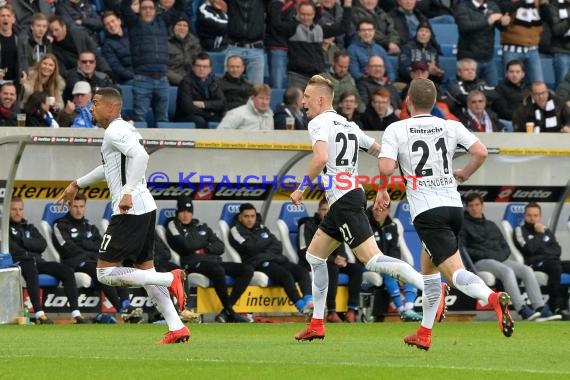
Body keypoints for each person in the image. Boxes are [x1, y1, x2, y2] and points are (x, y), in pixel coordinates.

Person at [290, 75, 445, 341]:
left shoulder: (318, 123)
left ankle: (431, 286)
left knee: (372, 260)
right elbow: (378, 150)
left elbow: (321, 157)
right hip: (349, 198)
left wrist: (302, 187)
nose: (303, 102)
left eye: (306, 97)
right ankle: (317, 323)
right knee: (315, 257)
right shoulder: (348, 125)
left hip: (344, 200)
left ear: (320, 99)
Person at [377, 77, 514, 351]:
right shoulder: (449, 125)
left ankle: (492, 297)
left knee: (455, 273)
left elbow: (387, 166)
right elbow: (481, 151)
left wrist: (382, 189)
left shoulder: (397, 128)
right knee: (428, 270)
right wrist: (464, 173)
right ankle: (424, 332)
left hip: (428, 211)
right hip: (453, 206)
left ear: (407, 102)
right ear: (434, 102)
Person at [57, 87, 189, 344]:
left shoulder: (116, 130)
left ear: (110, 107)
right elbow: (108, 166)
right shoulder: (121, 130)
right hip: (144, 207)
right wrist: (77, 183)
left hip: (130, 210)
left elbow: (140, 156)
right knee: (144, 271)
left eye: (95, 103)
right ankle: (177, 327)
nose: (91, 108)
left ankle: (169, 277)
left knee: (105, 273)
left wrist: (127, 191)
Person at [460, 194, 561, 321]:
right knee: (507, 271)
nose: (474, 208)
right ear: (467, 208)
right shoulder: (463, 226)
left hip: (499, 259)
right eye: (471, 206)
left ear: (482, 206)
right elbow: (465, 250)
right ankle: (522, 309)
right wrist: (491, 255)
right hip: (480, 262)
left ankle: (540, 307)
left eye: (477, 205)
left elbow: (505, 247)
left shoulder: (491, 225)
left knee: (526, 270)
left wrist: (498, 256)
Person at [52, 193, 143, 323]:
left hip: (93, 261)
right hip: (74, 263)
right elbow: (66, 248)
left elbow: (101, 247)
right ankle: (122, 311)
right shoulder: (60, 225)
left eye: (81, 206)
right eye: (75, 206)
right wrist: (88, 249)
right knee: (100, 270)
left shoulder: (91, 227)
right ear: (69, 207)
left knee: (115, 268)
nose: (78, 210)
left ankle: (126, 305)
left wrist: (84, 246)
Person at [165, 196, 253, 323]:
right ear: (178, 212)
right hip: (192, 262)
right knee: (218, 270)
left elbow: (220, 246)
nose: (186, 215)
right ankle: (230, 311)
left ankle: (226, 311)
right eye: (182, 211)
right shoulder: (173, 225)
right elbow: (186, 246)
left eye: (189, 212)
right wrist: (205, 242)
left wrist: (203, 249)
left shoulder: (201, 226)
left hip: (213, 260)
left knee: (247, 269)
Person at [9, 197, 85, 324]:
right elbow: (13, 249)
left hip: (38, 261)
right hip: (20, 264)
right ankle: (39, 313)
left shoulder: (29, 227)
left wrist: (23, 242)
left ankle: (76, 314)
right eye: (14, 209)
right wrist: (30, 248)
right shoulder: (4, 229)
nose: (18, 212)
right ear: (8, 211)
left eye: (20, 209)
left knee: (65, 270)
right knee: (30, 266)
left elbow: (42, 244)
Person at [229, 203, 314, 316]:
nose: (250, 219)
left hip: (275, 259)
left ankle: (309, 302)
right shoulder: (235, 230)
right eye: (246, 216)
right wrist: (266, 243)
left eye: (252, 216)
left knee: (301, 271)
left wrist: (261, 246)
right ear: (240, 217)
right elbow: (249, 248)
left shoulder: (262, 228)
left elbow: (278, 245)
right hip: (257, 263)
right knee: (285, 275)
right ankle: (302, 307)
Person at [298, 199, 363, 323]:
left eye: (329, 210)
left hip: (333, 261)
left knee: (356, 270)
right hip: (314, 262)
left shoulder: (336, 224)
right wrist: (333, 259)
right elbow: (305, 250)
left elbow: (342, 245)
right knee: (332, 268)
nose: (326, 213)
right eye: (324, 210)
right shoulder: (309, 225)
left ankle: (352, 309)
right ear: (318, 211)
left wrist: (342, 258)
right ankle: (331, 311)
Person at [121, 0, 184, 124]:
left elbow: (179, 6)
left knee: (163, 119)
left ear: (155, 10)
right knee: (139, 119)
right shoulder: (134, 22)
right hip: (142, 79)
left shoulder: (163, 21)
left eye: (150, 8)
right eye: (144, 8)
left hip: (162, 79)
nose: (148, 10)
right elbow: (124, 6)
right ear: (139, 10)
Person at [366, 204, 422, 321]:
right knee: (389, 272)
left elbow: (395, 250)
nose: (378, 212)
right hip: (371, 262)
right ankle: (402, 310)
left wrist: (396, 267)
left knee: (408, 271)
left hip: (386, 263)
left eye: (382, 210)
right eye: (376, 209)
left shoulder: (392, 226)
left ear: (388, 211)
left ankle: (409, 308)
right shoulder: (367, 226)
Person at [514, 202, 570, 314]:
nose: (532, 218)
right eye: (529, 215)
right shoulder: (520, 230)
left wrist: (542, 246)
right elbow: (528, 249)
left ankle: (565, 304)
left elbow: (557, 250)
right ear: (525, 216)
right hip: (534, 263)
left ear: (540, 217)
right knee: (555, 267)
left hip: (552, 260)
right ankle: (555, 307)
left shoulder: (546, 230)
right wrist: (540, 236)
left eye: (535, 215)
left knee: (562, 264)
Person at [454, 0, 510, 87]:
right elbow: (464, 27)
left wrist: (504, 22)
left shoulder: (492, 5)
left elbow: (501, 26)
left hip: (488, 57)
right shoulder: (462, 6)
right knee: (469, 90)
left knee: (493, 89)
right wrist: (487, 21)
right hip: (469, 59)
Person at [175, 52, 226, 128]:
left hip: (206, 115)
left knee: (223, 120)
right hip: (185, 117)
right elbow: (188, 108)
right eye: (198, 66)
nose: (201, 69)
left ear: (210, 69)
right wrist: (209, 114)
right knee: (200, 121)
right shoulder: (186, 82)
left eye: (205, 66)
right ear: (193, 67)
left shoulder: (213, 81)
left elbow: (222, 103)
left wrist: (203, 104)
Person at [101, 10, 134, 85]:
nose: (111, 25)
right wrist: (134, 76)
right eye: (107, 24)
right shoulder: (107, 45)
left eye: (113, 21)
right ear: (105, 28)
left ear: (119, 21)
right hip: (130, 78)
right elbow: (117, 68)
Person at [166, 15, 202, 86]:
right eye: (179, 25)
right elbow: (164, 69)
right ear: (173, 27)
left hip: (192, 82)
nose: (182, 28)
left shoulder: (195, 43)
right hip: (172, 83)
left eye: (185, 25)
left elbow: (200, 63)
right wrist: (182, 81)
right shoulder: (165, 43)